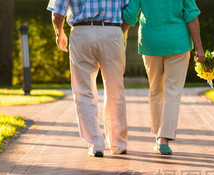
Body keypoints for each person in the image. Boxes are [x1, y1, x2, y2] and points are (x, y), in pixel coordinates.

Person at [122, 0, 205, 155]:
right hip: (178, 42)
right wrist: (199, 48)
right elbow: (191, 14)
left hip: (150, 42)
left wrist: (118, 35)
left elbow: (131, 14)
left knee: (155, 90)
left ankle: (158, 137)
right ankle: (163, 139)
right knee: (172, 92)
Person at [47, 0, 129, 157]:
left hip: (81, 32)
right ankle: (118, 144)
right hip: (111, 31)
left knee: (83, 90)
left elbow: (57, 12)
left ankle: (96, 144)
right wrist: (119, 31)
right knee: (115, 89)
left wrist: (59, 33)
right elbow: (129, 9)